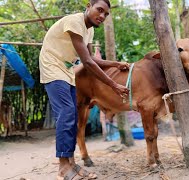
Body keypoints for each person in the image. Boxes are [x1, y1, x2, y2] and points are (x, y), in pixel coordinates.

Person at [39, 0, 129, 179]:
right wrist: (114, 85)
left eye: (106, 14)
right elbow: (87, 62)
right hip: (52, 65)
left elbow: (92, 60)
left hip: (67, 69)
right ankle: (63, 167)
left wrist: (115, 63)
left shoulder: (90, 30)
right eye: (99, 10)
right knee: (66, 113)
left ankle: (71, 163)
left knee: (73, 115)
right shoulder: (74, 21)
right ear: (88, 6)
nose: (102, 16)